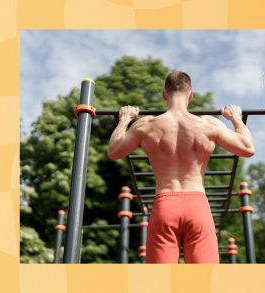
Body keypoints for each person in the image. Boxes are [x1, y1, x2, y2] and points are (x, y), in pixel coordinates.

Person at [108, 71, 255, 263]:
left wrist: (125, 119)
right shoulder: (207, 124)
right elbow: (247, 148)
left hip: (164, 206)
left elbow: (114, 151)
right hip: (197, 206)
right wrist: (235, 118)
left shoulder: (146, 124)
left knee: (160, 283)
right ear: (190, 94)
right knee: (204, 282)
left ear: (164, 94)